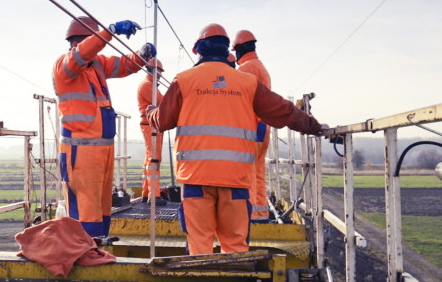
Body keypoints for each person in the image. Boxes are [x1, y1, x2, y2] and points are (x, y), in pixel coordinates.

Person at [147, 23, 325, 255]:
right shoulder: (247, 82)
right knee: (235, 247)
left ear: (199, 50)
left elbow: (163, 121)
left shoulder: (184, 80)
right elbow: (285, 111)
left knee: (200, 244)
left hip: (196, 178)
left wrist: (152, 111)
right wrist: (315, 127)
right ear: (226, 51)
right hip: (235, 180)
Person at [54, 16, 156, 238]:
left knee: (101, 205)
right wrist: (109, 31)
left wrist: (142, 56)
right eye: (93, 39)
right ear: (78, 42)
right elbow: (83, 53)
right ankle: (85, 252)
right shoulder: (65, 66)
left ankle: (100, 246)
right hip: (80, 151)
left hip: (103, 149)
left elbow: (124, 65)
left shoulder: (96, 65)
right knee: (86, 206)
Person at [233, 29, 272, 222]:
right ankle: (262, 212)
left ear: (239, 49)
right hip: (263, 127)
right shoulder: (260, 67)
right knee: (258, 171)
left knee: (248, 172)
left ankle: (252, 215)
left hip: (251, 127)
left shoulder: (245, 69)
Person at [137, 58, 167, 206]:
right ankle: (154, 196)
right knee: (154, 159)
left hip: (152, 124)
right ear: (151, 70)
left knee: (150, 159)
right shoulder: (148, 86)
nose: (160, 75)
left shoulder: (150, 85)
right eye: (159, 72)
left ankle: (146, 193)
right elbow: (162, 102)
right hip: (151, 125)